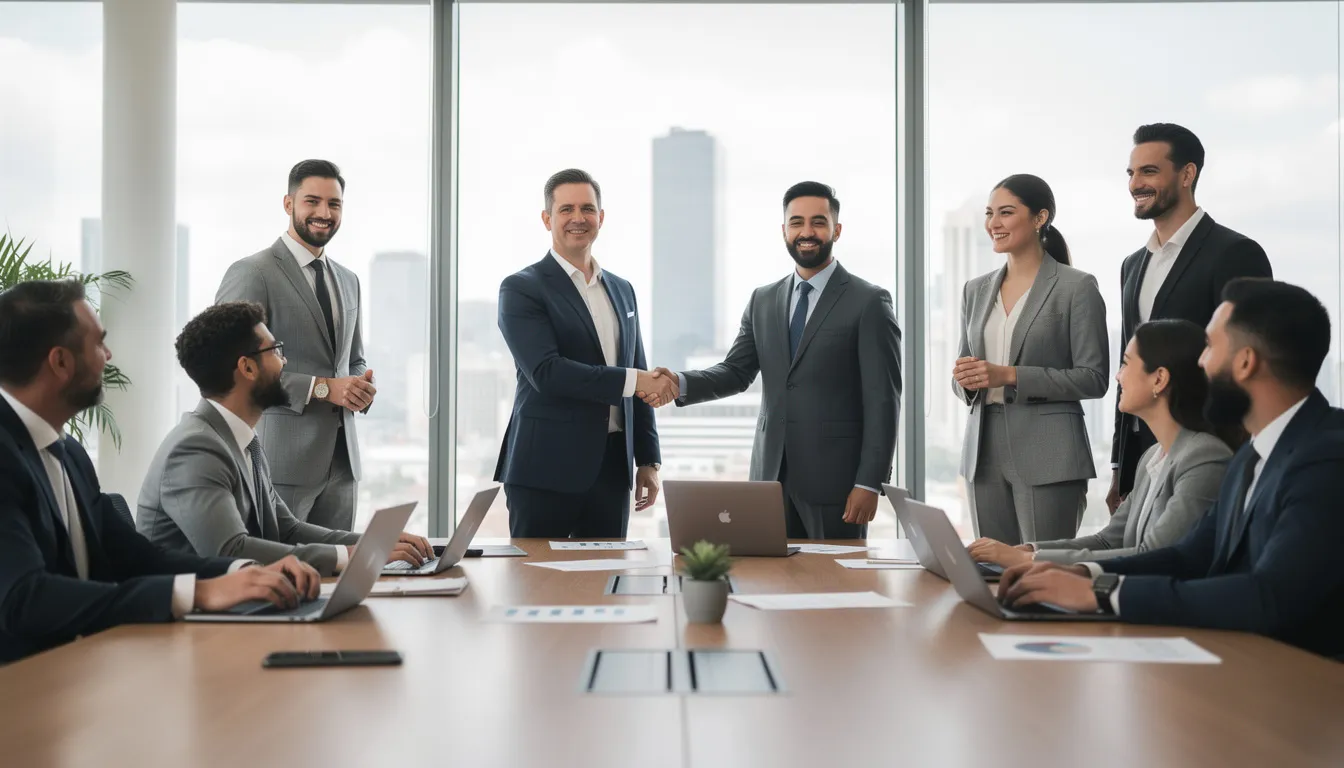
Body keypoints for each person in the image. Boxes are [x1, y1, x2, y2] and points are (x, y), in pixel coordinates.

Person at [1000, 279, 1344, 659]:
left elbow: (1270, 595)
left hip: (1302, 677)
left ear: (1245, 362)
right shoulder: (1252, 456)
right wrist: (1086, 574)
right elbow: (1188, 555)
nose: (1200, 363)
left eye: (1210, 347)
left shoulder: (1327, 460)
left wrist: (1106, 594)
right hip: (1245, 661)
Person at [0, 280, 321, 664]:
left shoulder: (69, 454)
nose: (108, 355)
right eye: (99, 343)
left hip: (88, 666)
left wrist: (241, 572)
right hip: (25, 684)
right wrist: (199, 594)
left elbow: (139, 558)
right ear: (61, 362)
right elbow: (23, 598)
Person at [653, 181, 902, 539]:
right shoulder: (763, 300)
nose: (807, 232)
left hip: (836, 484)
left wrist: (869, 482)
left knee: (832, 575)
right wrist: (679, 383)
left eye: (818, 222)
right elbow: (736, 372)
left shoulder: (869, 302)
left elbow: (883, 400)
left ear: (837, 230)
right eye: (796, 222)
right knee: (768, 571)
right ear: (784, 230)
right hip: (768, 478)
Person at [137, 302, 432, 576]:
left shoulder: (243, 442)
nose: (284, 361)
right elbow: (230, 552)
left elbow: (287, 530)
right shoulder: (195, 449)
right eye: (276, 351)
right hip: (194, 613)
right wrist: (353, 556)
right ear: (247, 367)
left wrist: (375, 542)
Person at [968, 319, 1232, 567]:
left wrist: (1027, 561)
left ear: (1159, 379)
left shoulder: (1203, 456)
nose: (1118, 376)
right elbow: (1108, 541)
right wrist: (1028, 550)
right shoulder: (1152, 457)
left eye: (1126, 364)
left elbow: (1153, 555)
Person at [494, 169, 666, 538]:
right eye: (566, 209)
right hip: (544, 471)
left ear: (600, 217)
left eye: (587, 209)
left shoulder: (623, 289)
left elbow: (638, 368)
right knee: (536, 574)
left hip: (612, 471)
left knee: (609, 573)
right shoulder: (521, 289)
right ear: (547, 219)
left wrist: (649, 460)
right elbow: (547, 372)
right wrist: (635, 380)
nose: (578, 218)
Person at [1109, 123, 1271, 512]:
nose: (1135, 183)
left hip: (1209, 447)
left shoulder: (1235, 253)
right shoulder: (1132, 265)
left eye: (1149, 171)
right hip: (1142, 453)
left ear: (1187, 174)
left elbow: (1252, 362)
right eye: (1131, 172)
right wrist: (1119, 465)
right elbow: (1128, 363)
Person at [216, 159, 372, 532]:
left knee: (340, 564)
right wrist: (323, 388)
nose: (324, 213)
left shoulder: (348, 280)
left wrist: (357, 387)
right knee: (280, 564)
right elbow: (228, 366)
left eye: (334, 204)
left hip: (343, 465)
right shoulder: (253, 273)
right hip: (280, 464)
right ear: (288, 204)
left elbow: (352, 360)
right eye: (312, 201)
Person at [953, 174, 1108, 545]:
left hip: (1049, 453)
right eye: (989, 213)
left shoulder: (1076, 286)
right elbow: (965, 370)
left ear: (1040, 218)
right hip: (982, 452)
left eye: (1006, 212)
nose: (993, 223)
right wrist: (965, 382)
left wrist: (1010, 375)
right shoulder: (975, 290)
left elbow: (1094, 377)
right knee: (992, 569)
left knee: (1041, 568)